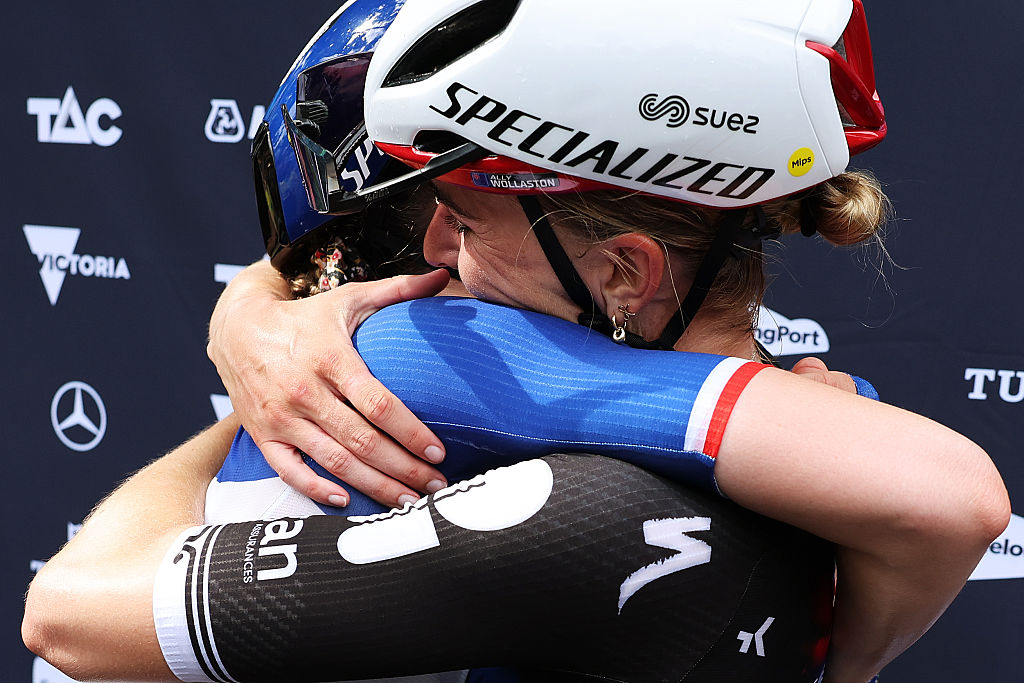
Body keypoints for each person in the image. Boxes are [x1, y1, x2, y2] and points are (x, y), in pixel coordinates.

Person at [21, 2, 1010, 683]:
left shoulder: (432, 363)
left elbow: (63, 616)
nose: (431, 252)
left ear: (624, 274)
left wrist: (262, 343)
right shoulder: (843, 426)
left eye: (459, 216)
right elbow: (933, 508)